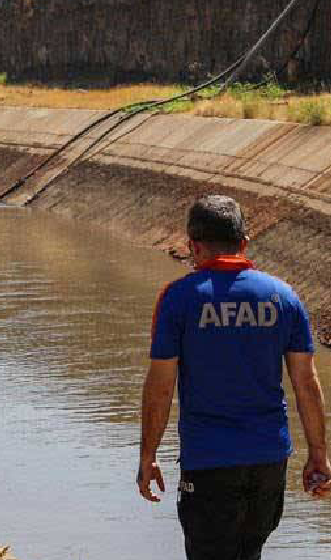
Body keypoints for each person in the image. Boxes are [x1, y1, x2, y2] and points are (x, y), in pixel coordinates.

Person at [138, 195, 329, 560]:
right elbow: (306, 383)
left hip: (210, 462)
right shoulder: (283, 297)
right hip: (269, 461)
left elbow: (161, 387)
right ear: (243, 243)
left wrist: (148, 455)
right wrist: (318, 454)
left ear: (193, 246)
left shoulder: (178, 299)